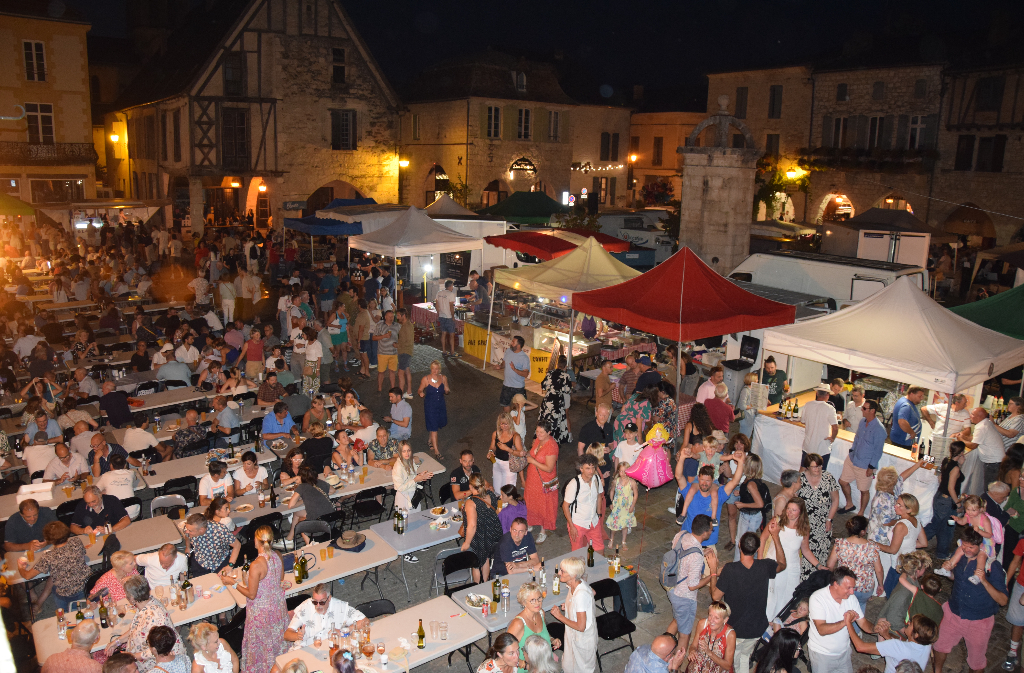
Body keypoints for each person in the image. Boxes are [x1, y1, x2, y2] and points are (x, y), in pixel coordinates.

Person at [931, 528, 1008, 673]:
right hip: (953, 613)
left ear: (980, 545)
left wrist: (984, 581)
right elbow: (957, 578)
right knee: (939, 646)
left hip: (979, 621)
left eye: (971, 547)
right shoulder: (959, 555)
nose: (966, 549)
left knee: (976, 662)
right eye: (964, 545)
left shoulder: (992, 566)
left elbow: (1003, 601)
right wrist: (948, 572)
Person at [711, 527, 786, 673]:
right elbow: (782, 564)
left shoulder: (730, 569)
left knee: (730, 662)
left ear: (739, 545)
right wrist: (776, 537)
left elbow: (715, 596)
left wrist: (714, 571)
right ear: (757, 549)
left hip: (735, 629)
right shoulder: (765, 566)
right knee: (744, 658)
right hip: (756, 628)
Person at [217, 525, 287, 671]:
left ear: (257, 540)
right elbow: (280, 578)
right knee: (276, 639)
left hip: (261, 612)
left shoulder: (257, 565)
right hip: (277, 606)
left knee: (262, 644)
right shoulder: (277, 555)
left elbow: (251, 594)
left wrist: (232, 583)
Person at [105, 575, 186, 673]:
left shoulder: (156, 616)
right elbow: (136, 629)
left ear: (132, 598)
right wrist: (117, 642)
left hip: (159, 666)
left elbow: (162, 648)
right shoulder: (146, 604)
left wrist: (134, 656)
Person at [763, 498, 822, 622]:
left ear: (801, 512)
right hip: (774, 563)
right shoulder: (777, 521)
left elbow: (805, 550)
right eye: (788, 509)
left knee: (787, 596)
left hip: (792, 567)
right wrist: (760, 561)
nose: (790, 512)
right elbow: (762, 540)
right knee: (771, 595)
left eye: (794, 510)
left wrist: (818, 565)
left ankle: (780, 623)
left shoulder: (804, 528)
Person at [807, 567, 874, 673]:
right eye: (848, 588)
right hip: (822, 655)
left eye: (853, 588)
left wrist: (876, 629)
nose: (852, 592)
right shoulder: (817, 598)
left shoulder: (851, 598)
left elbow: (863, 622)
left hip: (844, 653)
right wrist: (845, 622)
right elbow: (822, 629)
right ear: (836, 584)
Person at [666, 515, 716, 652]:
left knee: (677, 619)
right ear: (704, 533)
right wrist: (713, 574)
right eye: (711, 530)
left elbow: (681, 555)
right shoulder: (696, 556)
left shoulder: (681, 535)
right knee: (684, 635)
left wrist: (701, 552)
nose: (711, 532)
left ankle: (663, 646)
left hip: (671, 586)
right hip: (684, 597)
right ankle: (677, 662)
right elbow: (692, 585)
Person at [16, 520, 89, 611]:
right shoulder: (76, 542)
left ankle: (63, 610)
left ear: (48, 539)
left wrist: (20, 567)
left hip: (66, 594)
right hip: (86, 586)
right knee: (53, 579)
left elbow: (27, 576)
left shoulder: (48, 557)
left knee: (55, 587)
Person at [681, 452, 747, 547]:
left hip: (708, 544)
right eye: (702, 480)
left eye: (708, 481)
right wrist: (682, 458)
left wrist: (740, 462)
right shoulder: (690, 492)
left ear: (713, 480)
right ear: (698, 478)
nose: (704, 483)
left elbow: (735, 482)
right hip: (688, 541)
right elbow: (678, 476)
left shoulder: (719, 494)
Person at [826, 515, 883, 617]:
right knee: (860, 609)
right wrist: (880, 585)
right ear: (863, 531)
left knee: (843, 610)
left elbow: (830, 565)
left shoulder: (840, 543)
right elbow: (879, 570)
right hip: (864, 587)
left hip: (844, 585)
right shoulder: (872, 547)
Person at [838, 399, 886, 515]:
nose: (862, 410)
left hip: (865, 465)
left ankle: (861, 513)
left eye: (864, 408)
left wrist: (871, 467)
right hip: (853, 458)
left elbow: (878, 451)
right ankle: (849, 504)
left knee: (864, 490)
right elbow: (857, 438)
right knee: (843, 481)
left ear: (872, 411)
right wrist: (852, 450)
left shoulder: (879, 429)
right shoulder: (862, 422)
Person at [550, 556, 597, 673]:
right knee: (568, 666)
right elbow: (593, 592)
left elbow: (581, 627)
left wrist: (560, 616)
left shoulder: (580, 594)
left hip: (582, 640)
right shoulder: (575, 584)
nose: (559, 573)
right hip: (572, 636)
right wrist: (570, 606)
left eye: (563, 571)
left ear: (573, 575)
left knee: (581, 669)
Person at [283, 583, 368, 649]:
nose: (318, 605)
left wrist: (344, 631)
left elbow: (365, 621)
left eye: (322, 602)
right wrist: (297, 636)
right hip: (306, 648)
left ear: (329, 598)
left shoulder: (340, 607)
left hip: (331, 647)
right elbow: (286, 635)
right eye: (315, 602)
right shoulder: (305, 607)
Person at [796, 454, 839, 579]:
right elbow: (794, 500)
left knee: (821, 552)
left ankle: (817, 578)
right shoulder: (800, 479)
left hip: (822, 523)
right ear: (807, 467)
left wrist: (829, 519)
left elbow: (835, 500)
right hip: (804, 522)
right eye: (814, 467)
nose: (818, 469)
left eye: (820, 466)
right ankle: (803, 579)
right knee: (804, 550)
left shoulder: (828, 478)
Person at [873, 550, 932, 635]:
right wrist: (910, 636)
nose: (925, 571)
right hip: (892, 630)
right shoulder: (904, 594)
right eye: (924, 568)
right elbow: (893, 620)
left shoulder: (910, 579)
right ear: (917, 570)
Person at [874, 494, 924, 592]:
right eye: (896, 503)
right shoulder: (916, 520)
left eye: (899, 505)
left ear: (909, 509)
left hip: (898, 565)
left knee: (889, 590)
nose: (895, 506)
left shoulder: (901, 526)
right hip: (910, 562)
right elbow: (923, 543)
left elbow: (893, 550)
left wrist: (874, 543)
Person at [461, 473, 503, 582]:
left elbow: (472, 525)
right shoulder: (491, 494)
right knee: (486, 558)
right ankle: (484, 583)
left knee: (476, 564)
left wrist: (467, 543)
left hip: (479, 536)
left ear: (470, 486)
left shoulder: (471, 502)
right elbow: (495, 511)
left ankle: (477, 586)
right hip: (491, 533)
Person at [507, 581, 562, 659]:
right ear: (524, 602)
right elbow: (506, 651)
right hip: (527, 665)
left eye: (539, 598)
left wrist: (552, 640)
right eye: (532, 600)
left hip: (545, 660)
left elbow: (544, 634)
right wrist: (522, 664)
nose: (537, 603)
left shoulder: (541, 613)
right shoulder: (518, 623)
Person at [524, 422, 559, 543]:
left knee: (544, 505)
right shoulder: (538, 440)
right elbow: (532, 453)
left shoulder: (551, 446)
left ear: (549, 432)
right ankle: (530, 523)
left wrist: (533, 461)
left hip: (544, 480)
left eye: (541, 432)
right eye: (537, 431)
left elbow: (549, 468)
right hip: (533, 479)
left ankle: (543, 531)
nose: (538, 434)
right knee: (531, 501)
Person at [958, 407, 1010, 486]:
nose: (970, 416)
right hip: (997, 461)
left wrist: (961, 440)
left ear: (979, 417)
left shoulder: (981, 427)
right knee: (992, 486)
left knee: (990, 487)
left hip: (993, 462)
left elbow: (973, 445)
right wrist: (964, 437)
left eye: (972, 414)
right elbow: (977, 438)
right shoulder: (986, 422)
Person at [686, 601, 736, 673]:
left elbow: (727, 666)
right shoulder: (702, 624)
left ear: (725, 620)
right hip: (698, 667)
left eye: (716, 618)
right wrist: (692, 651)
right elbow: (693, 646)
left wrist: (710, 653)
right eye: (710, 615)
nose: (711, 620)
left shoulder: (730, 635)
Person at [416, 360, 449, 459]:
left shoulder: (443, 378)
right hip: (430, 406)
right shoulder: (425, 379)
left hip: (440, 405)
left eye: (437, 369)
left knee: (436, 423)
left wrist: (447, 390)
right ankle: (437, 451)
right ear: (430, 369)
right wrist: (420, 393)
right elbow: (419, 389)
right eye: (433, 369)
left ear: (440, 369)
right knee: (434, 428)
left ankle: (430, 441)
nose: (435, 371)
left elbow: (447, 390)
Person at [800, 385, 839, 469]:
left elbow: (803, 421)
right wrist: (832, 438)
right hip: (822, 447)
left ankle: (798, 478)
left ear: (817, 393)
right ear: (827, 395)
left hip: (808, 445)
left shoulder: (808, 405)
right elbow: (835, 428)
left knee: (803, 468)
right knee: (820, 471)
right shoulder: (830, 408)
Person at [97, 452, 142, 518]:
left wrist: (104, 491)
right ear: (125, 465)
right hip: (134, 513)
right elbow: (135, 479)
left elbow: (96, 491)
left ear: (111, 465)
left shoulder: (105, 476)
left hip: (116, 516)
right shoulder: (131, 473)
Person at [539, 356, 572, 444]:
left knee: (545, 419)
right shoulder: (566, 376)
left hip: (548, 399)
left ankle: (542, 438)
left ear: (557, 365)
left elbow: (543, 386)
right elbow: (568, 390)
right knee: (556, 422)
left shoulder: (550, 373)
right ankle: (554, 441)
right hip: (558, 401)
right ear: (565, 367)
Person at [392, 440, 434, 510]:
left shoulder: (410, 461)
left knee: (416, 515)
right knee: (406, 516)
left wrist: (421, 476)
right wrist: (415, 480)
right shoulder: (398, 467)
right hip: (403, 497)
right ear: (400, 452)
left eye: (408, 450)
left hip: (413, 493)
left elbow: (412, 477)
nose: (407, 453)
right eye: (404, 451)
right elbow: (400, 488)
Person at [489, 412, 525, 493]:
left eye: (506, 424)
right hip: (496, 463)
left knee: (507, 493)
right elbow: (492, 447)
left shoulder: (515, 436)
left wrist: (507, 449)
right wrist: (490, 451)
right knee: (497, 491)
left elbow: (520, 453)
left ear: (510, 423)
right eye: (501, 424)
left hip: (509, 466)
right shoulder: (496, 434)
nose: (503, 426)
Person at [606, 460, 638, 549]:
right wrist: (611, 502)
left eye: (625, 471)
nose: (623, 473)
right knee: (614, 524)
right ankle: (611, 539)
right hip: (617, 506)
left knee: (625, 525)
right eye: (621, 471)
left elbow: (635, 495)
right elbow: (612, 491)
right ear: (618, 471)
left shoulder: (632, 482)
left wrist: (632, 506)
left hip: (627, 507)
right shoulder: (616, 481)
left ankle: (624, 541)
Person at [498, 336, 530, 411]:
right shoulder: (508, 351)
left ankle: (517, 418)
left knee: (519, 408)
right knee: (505, 404)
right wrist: (500, 366)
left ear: (518, 346)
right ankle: (508, 418)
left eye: (513, 342)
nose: (511, 343)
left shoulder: (524, 358)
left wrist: (514, 369)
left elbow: (526, 374)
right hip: (507, 385)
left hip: (518, 387)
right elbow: (504, 363)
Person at [435, 279, 458, 355]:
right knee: (451, 334)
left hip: (441, 316)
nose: (452, 287)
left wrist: (439, 313)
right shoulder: (451, 294)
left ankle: (444, 351)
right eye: (452, 286)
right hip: (448, 317)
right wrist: (453, 316)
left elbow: (436, 305)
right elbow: (451, 306)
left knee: (443, 333)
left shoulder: (439, 293)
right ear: (450, 286)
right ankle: (452, 352)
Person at [735, 372, 759, 439]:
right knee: (744, 435)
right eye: (756, 379)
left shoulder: (753, 389)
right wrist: (753, 405)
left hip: (751, 416)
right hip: (746, 416)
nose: (757, 380)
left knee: (748, 434)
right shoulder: (745, 390)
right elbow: (742, 406)